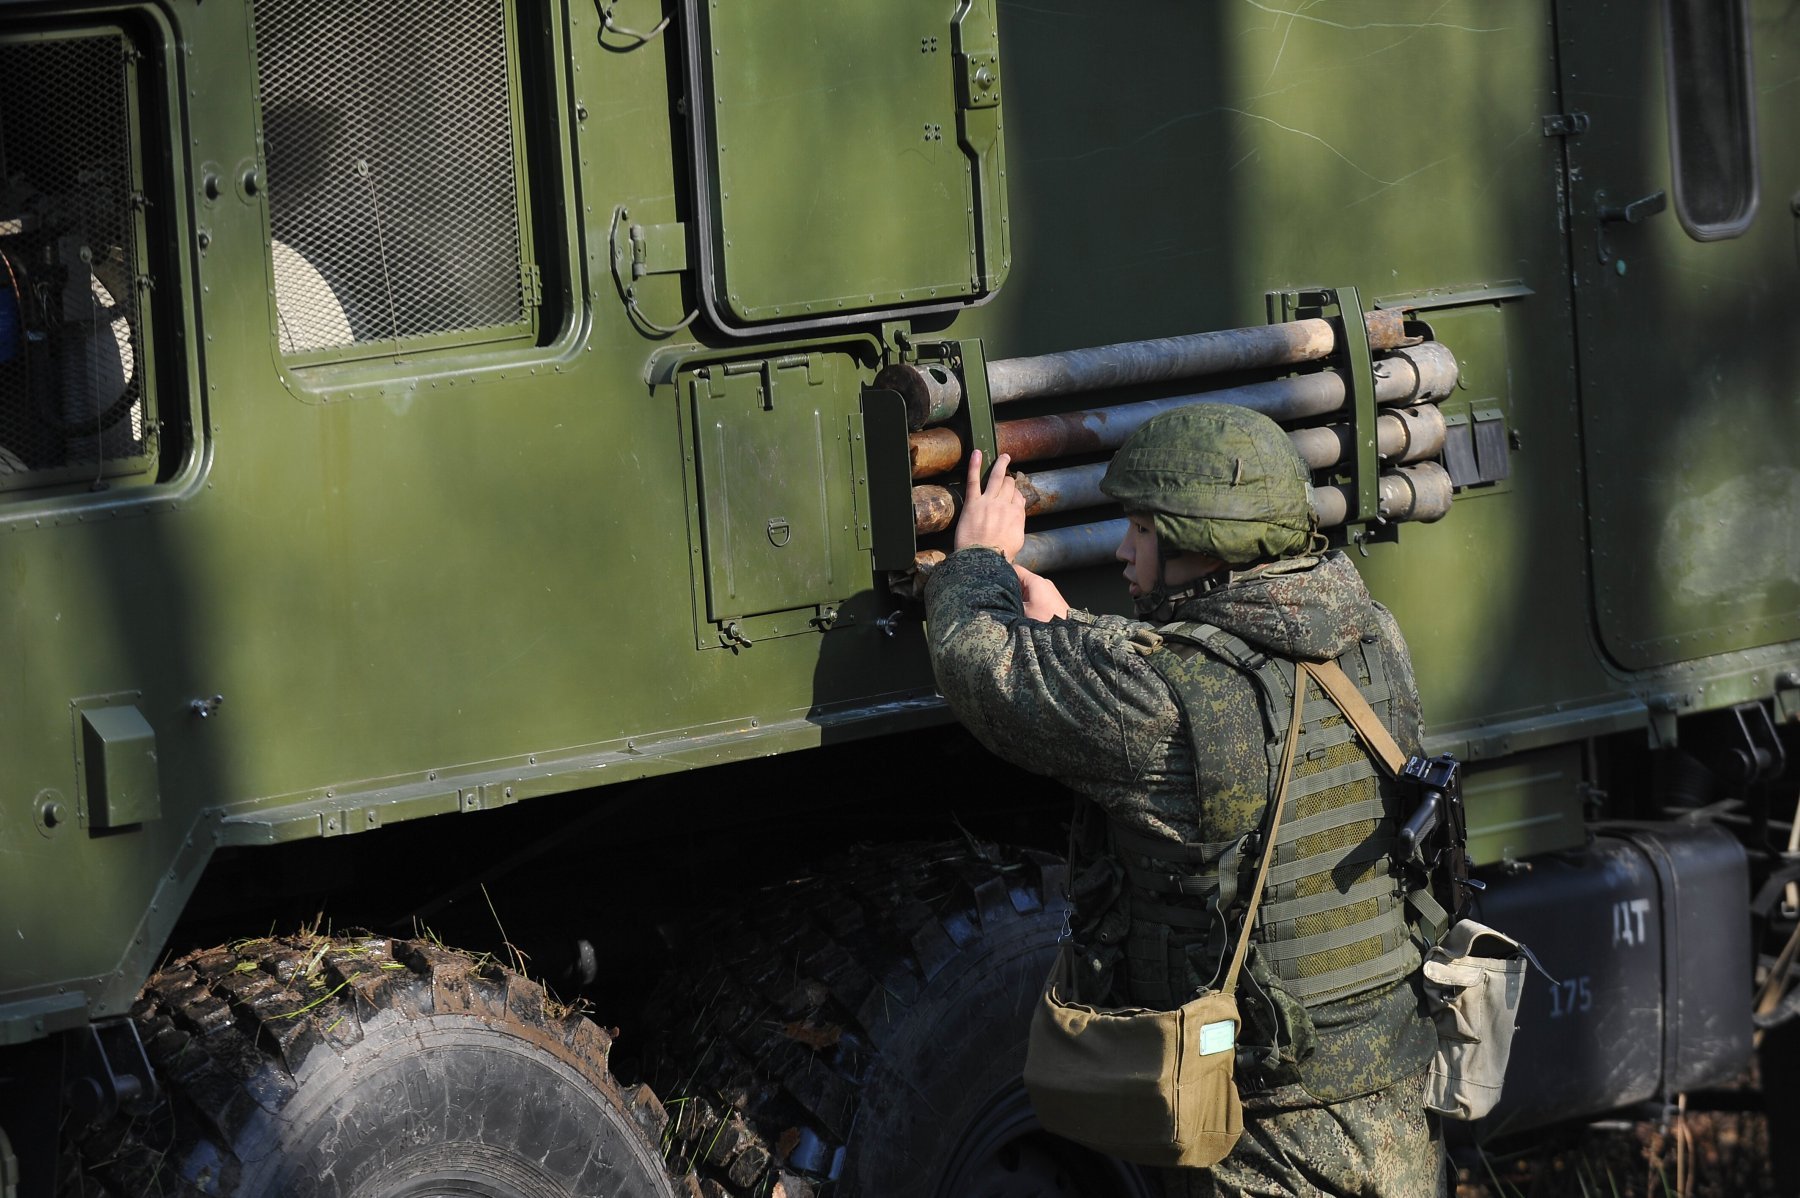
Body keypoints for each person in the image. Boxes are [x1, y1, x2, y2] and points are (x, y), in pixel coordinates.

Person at [923, 403, 1443, 1197]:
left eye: (1141, 529)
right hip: (1392, 1089)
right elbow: (1232, 681)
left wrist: (979, 562)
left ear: (1203, 545)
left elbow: (979, 664)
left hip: (1269, 1118)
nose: (1124, 552)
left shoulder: (1155, 706)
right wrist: (1082, 632)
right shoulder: (1373, 636)